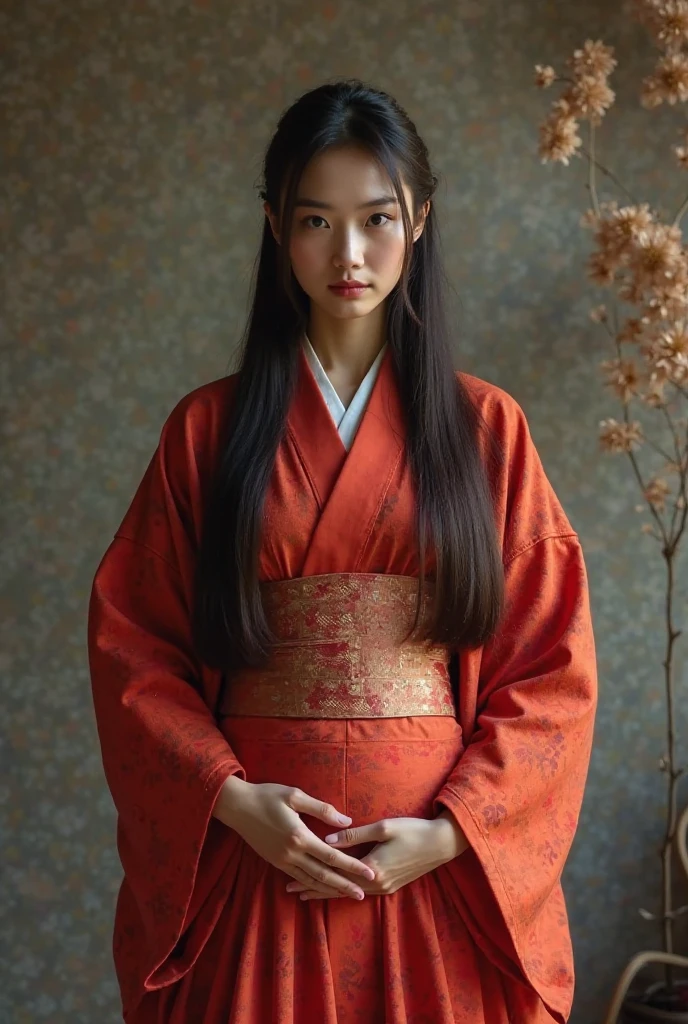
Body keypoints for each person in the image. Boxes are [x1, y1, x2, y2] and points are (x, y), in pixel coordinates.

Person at [88, 79, 598, 1024]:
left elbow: (551, 672)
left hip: (432, 868)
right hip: (259, 858)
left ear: (421, 220)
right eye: (318, 220)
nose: (350, 254)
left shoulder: (487, 429)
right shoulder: (207, 431)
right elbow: (136, 651)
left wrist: (448, 836)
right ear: (277, 225)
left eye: (378, 219)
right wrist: (234, 804)